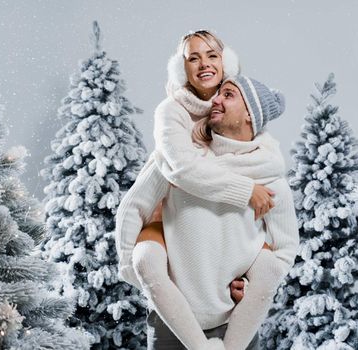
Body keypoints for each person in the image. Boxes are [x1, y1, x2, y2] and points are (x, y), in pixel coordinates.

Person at [115, 75, 298, 350]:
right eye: (218, 94)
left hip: (235, 324)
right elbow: (132, 207)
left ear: (251, 114)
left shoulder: (270, 179)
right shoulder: (182, 160)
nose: (216, 100)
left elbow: (285, 249)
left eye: (228, 94)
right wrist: (135, 272)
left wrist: (249, 286)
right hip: (171, 323)